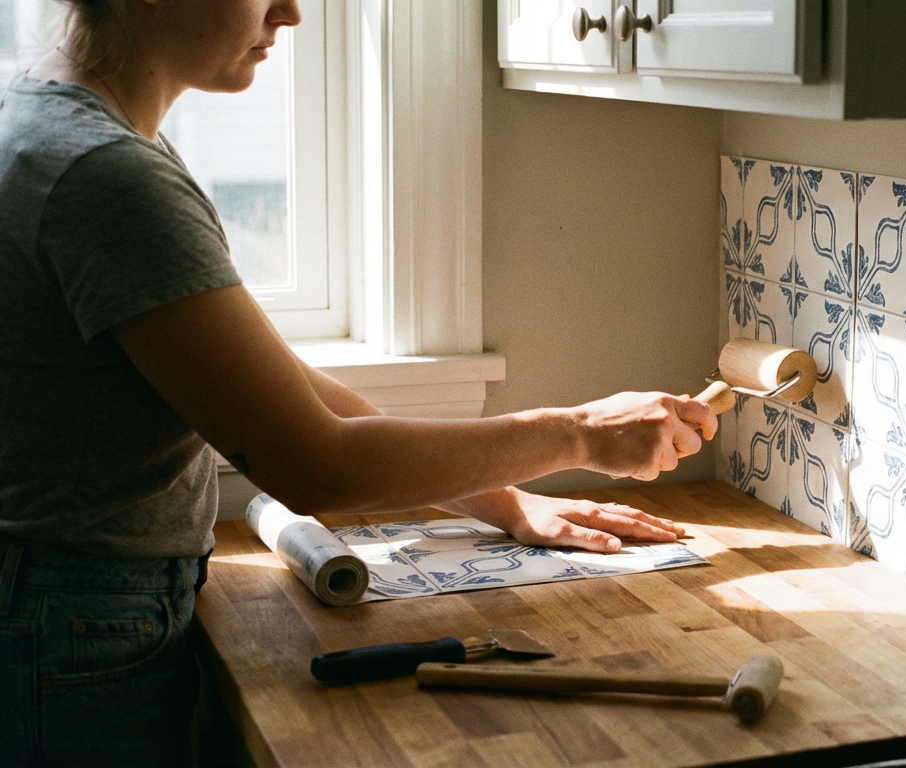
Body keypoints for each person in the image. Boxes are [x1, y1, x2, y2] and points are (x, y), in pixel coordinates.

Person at [0, 0, 716, 764]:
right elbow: (313, 465)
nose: (291, 12)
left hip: (60, 605)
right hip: (73, 629)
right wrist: (579, 433)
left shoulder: (53, 118)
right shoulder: (107, 176)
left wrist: (503, 500)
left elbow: (273, 384)